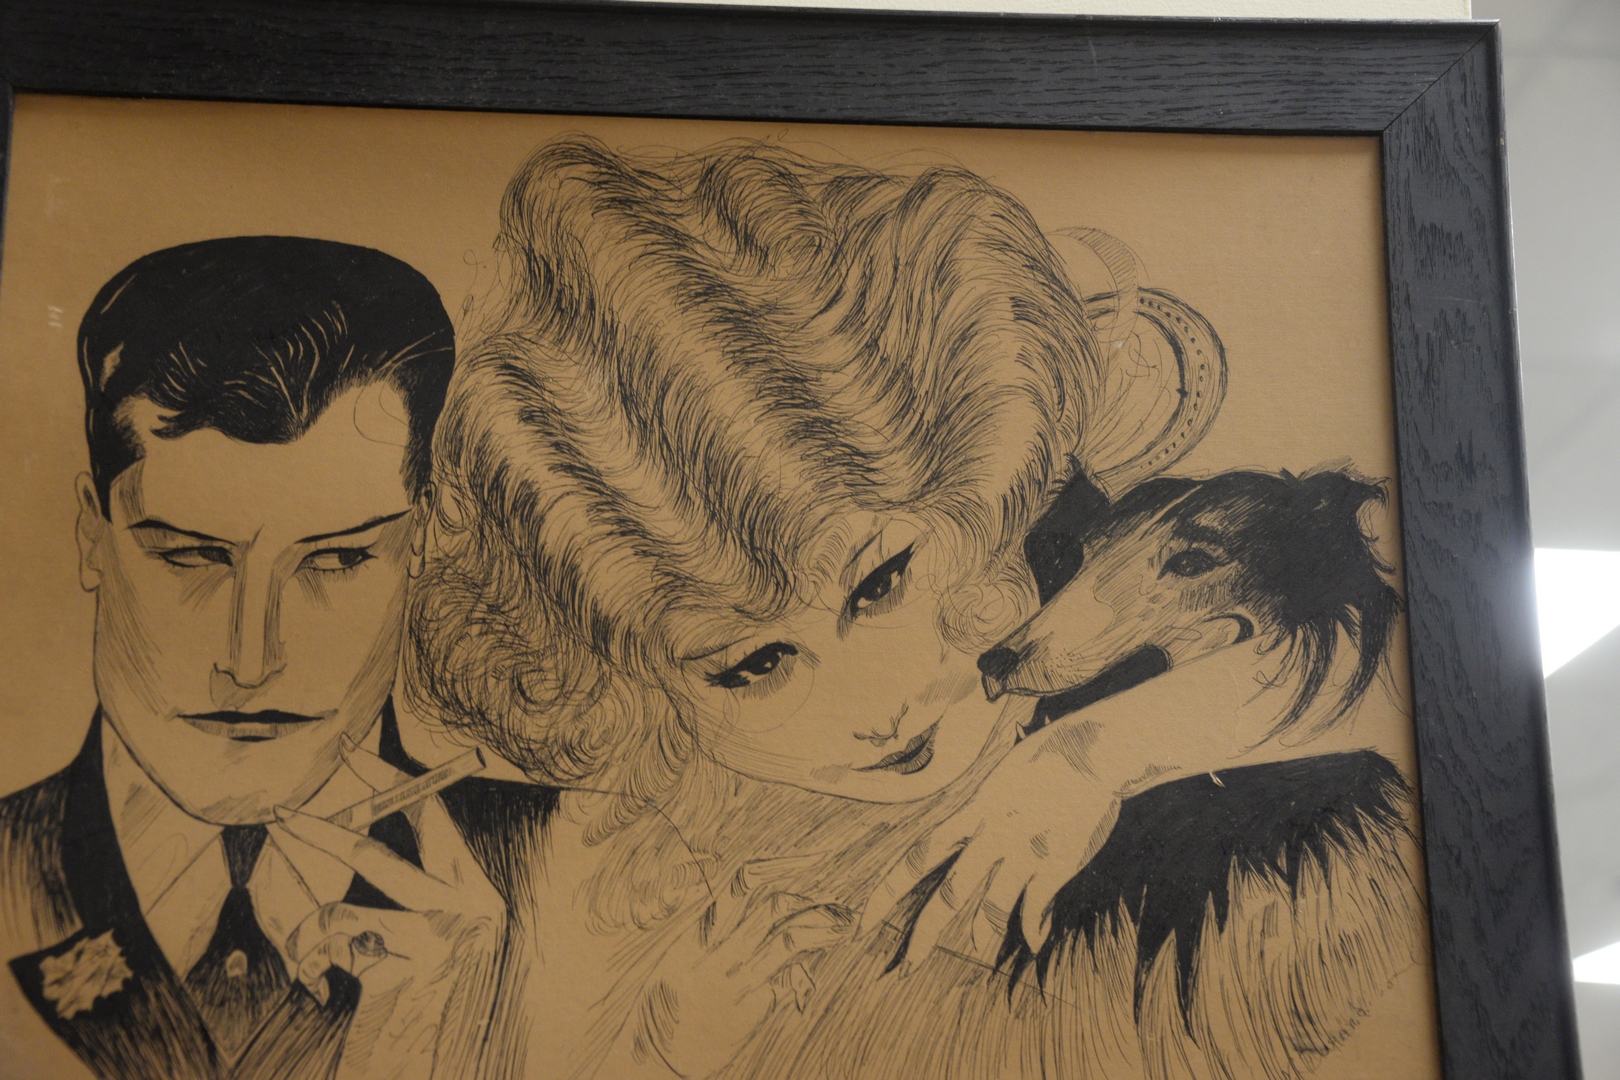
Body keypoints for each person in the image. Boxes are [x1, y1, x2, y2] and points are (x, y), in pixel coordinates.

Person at [409, 137, 1423, 1079]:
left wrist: (1097, 755)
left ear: (980, 482)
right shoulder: (515, 861)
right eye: (754, 663)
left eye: (881, 581)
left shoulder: (1200, 784)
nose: (879, 706)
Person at [0, 237, 554, 1080]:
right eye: (190, 557)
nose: (251, 661)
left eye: (336, 560)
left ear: (427, 539)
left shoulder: (586, 879)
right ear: (90, 534)